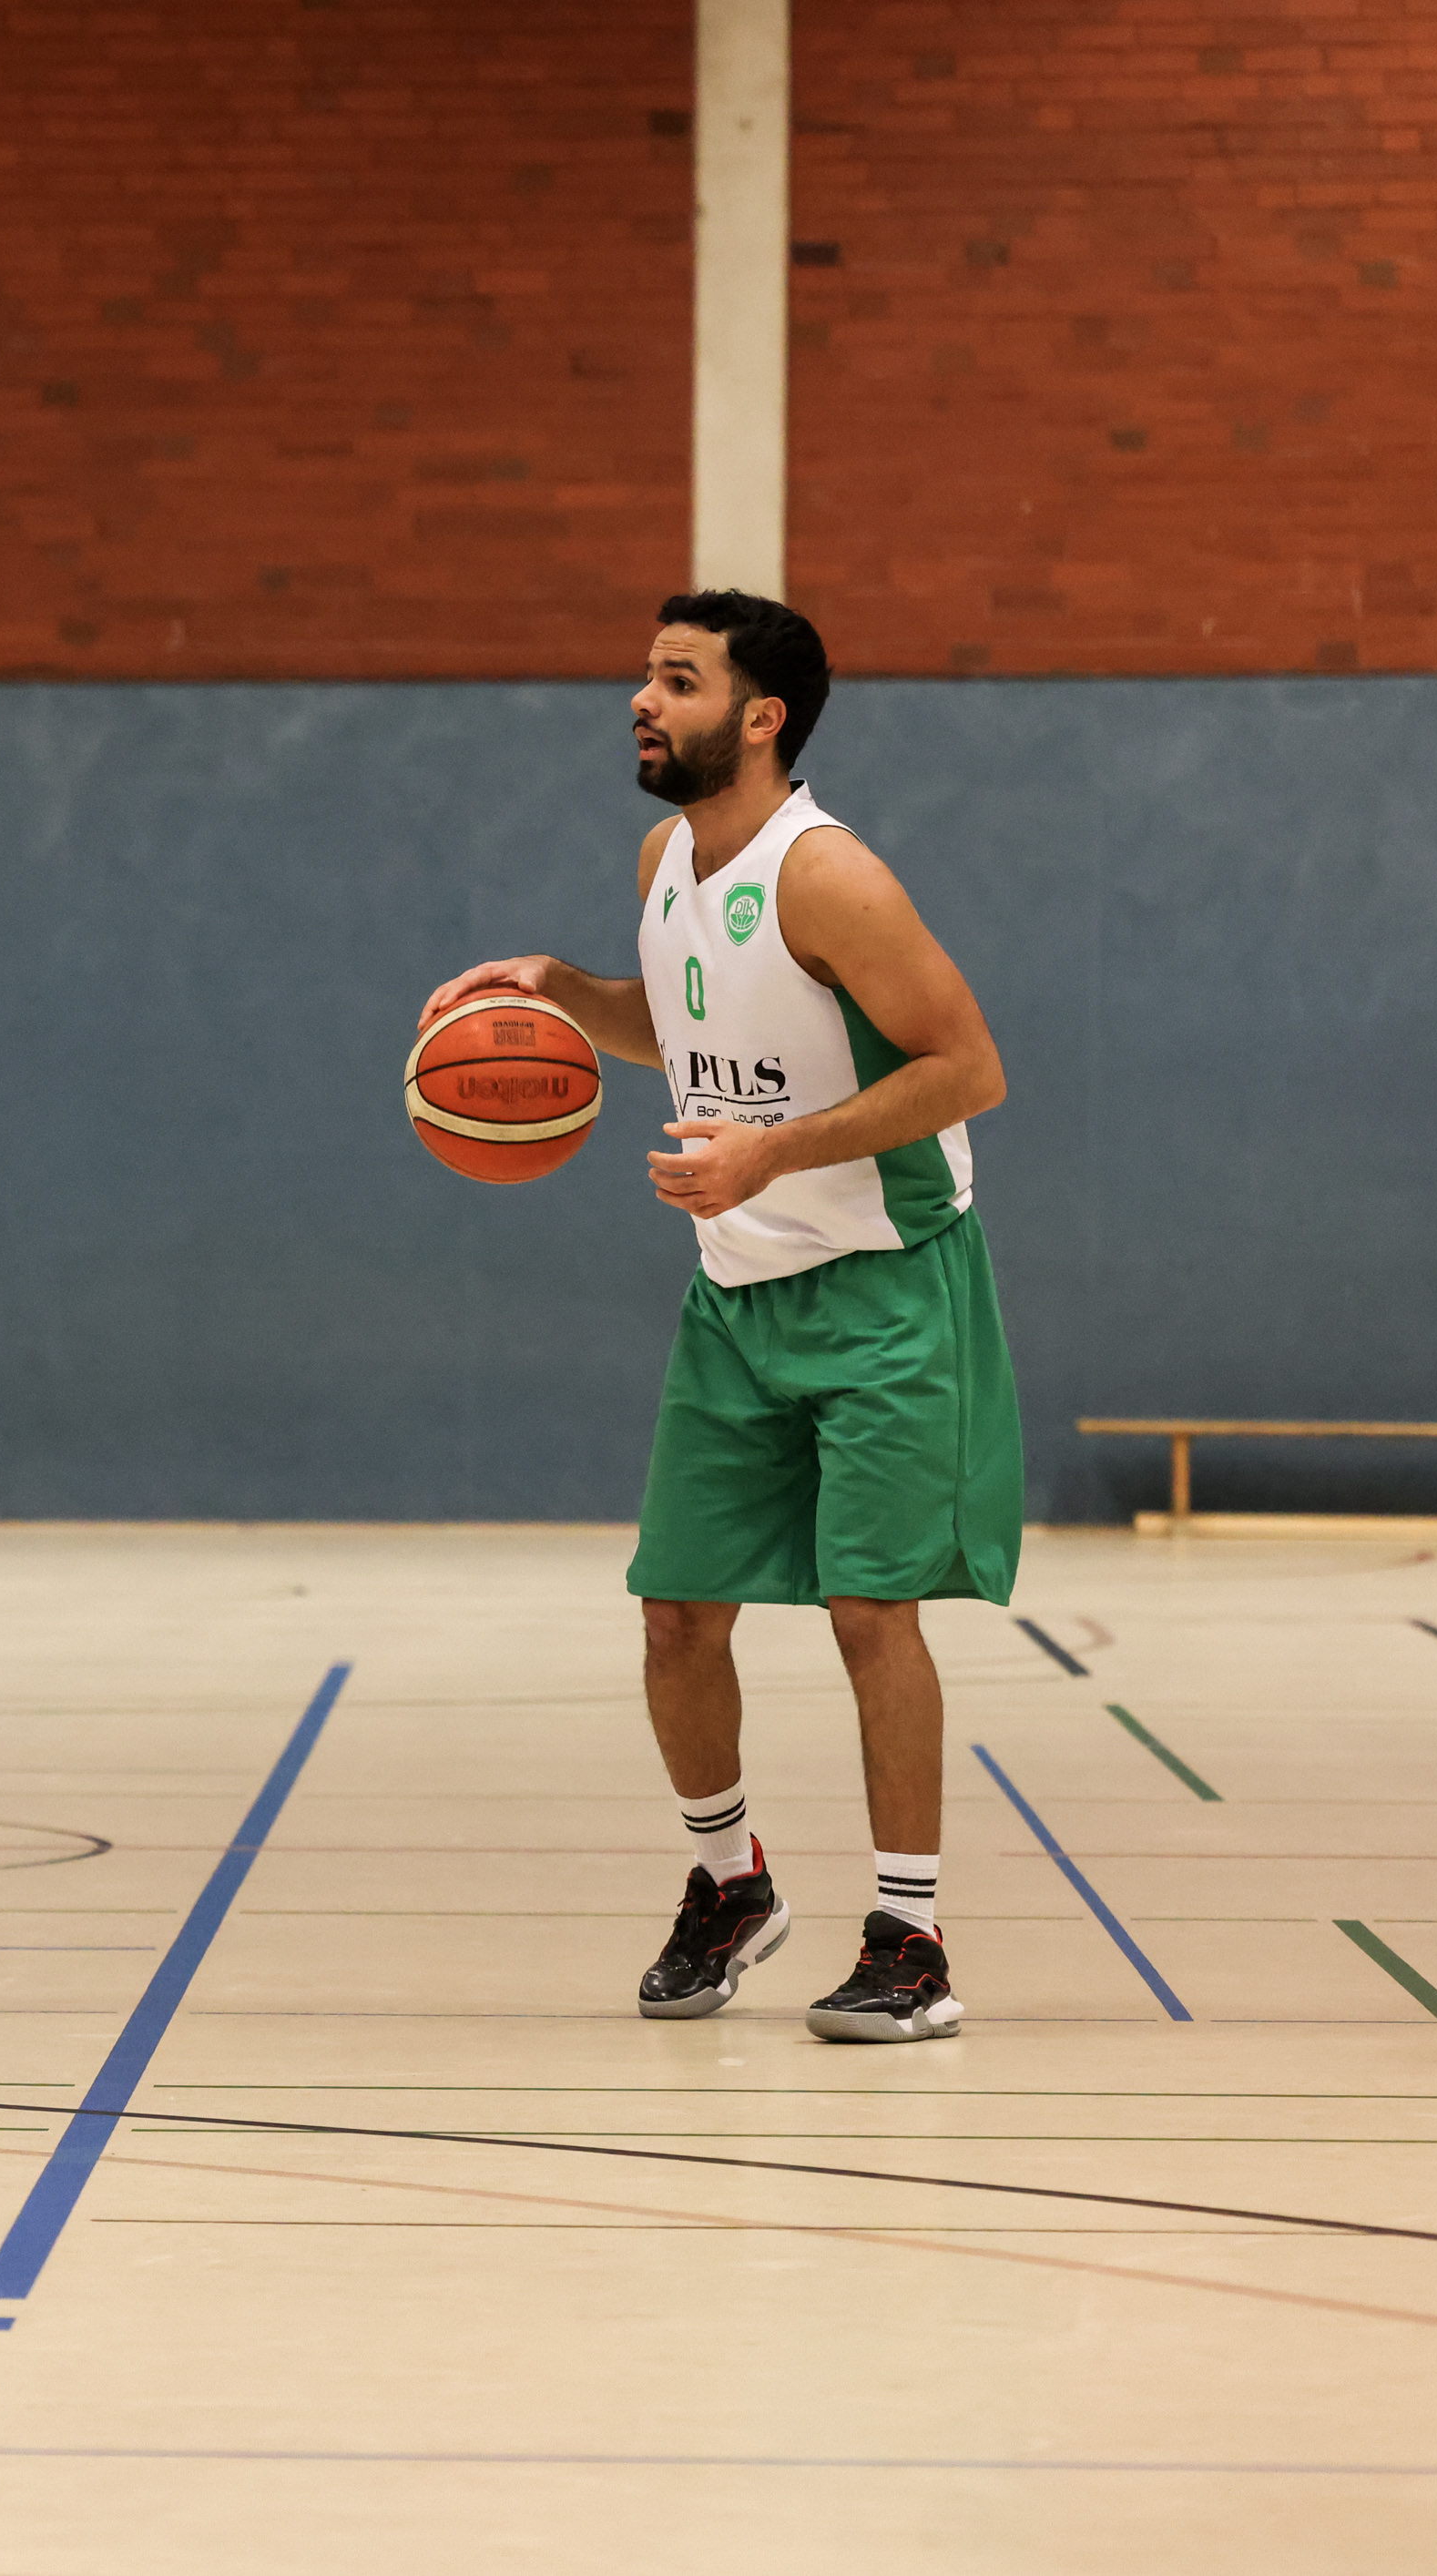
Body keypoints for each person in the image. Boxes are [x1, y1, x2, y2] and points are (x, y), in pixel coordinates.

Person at [422, 589, 1022, 2045]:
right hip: (734, 1293)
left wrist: (773, 1153)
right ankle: (728, 1882)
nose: (641, 698)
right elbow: (688, 1027)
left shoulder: (832, 878)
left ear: (760, 717)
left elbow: (966, 1068)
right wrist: (563, 994)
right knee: (676, 1613)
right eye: (644, 672)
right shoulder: (665, 858)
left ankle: (910, 1941)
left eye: (676, 679)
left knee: (869, 1611)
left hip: (886, 1284)